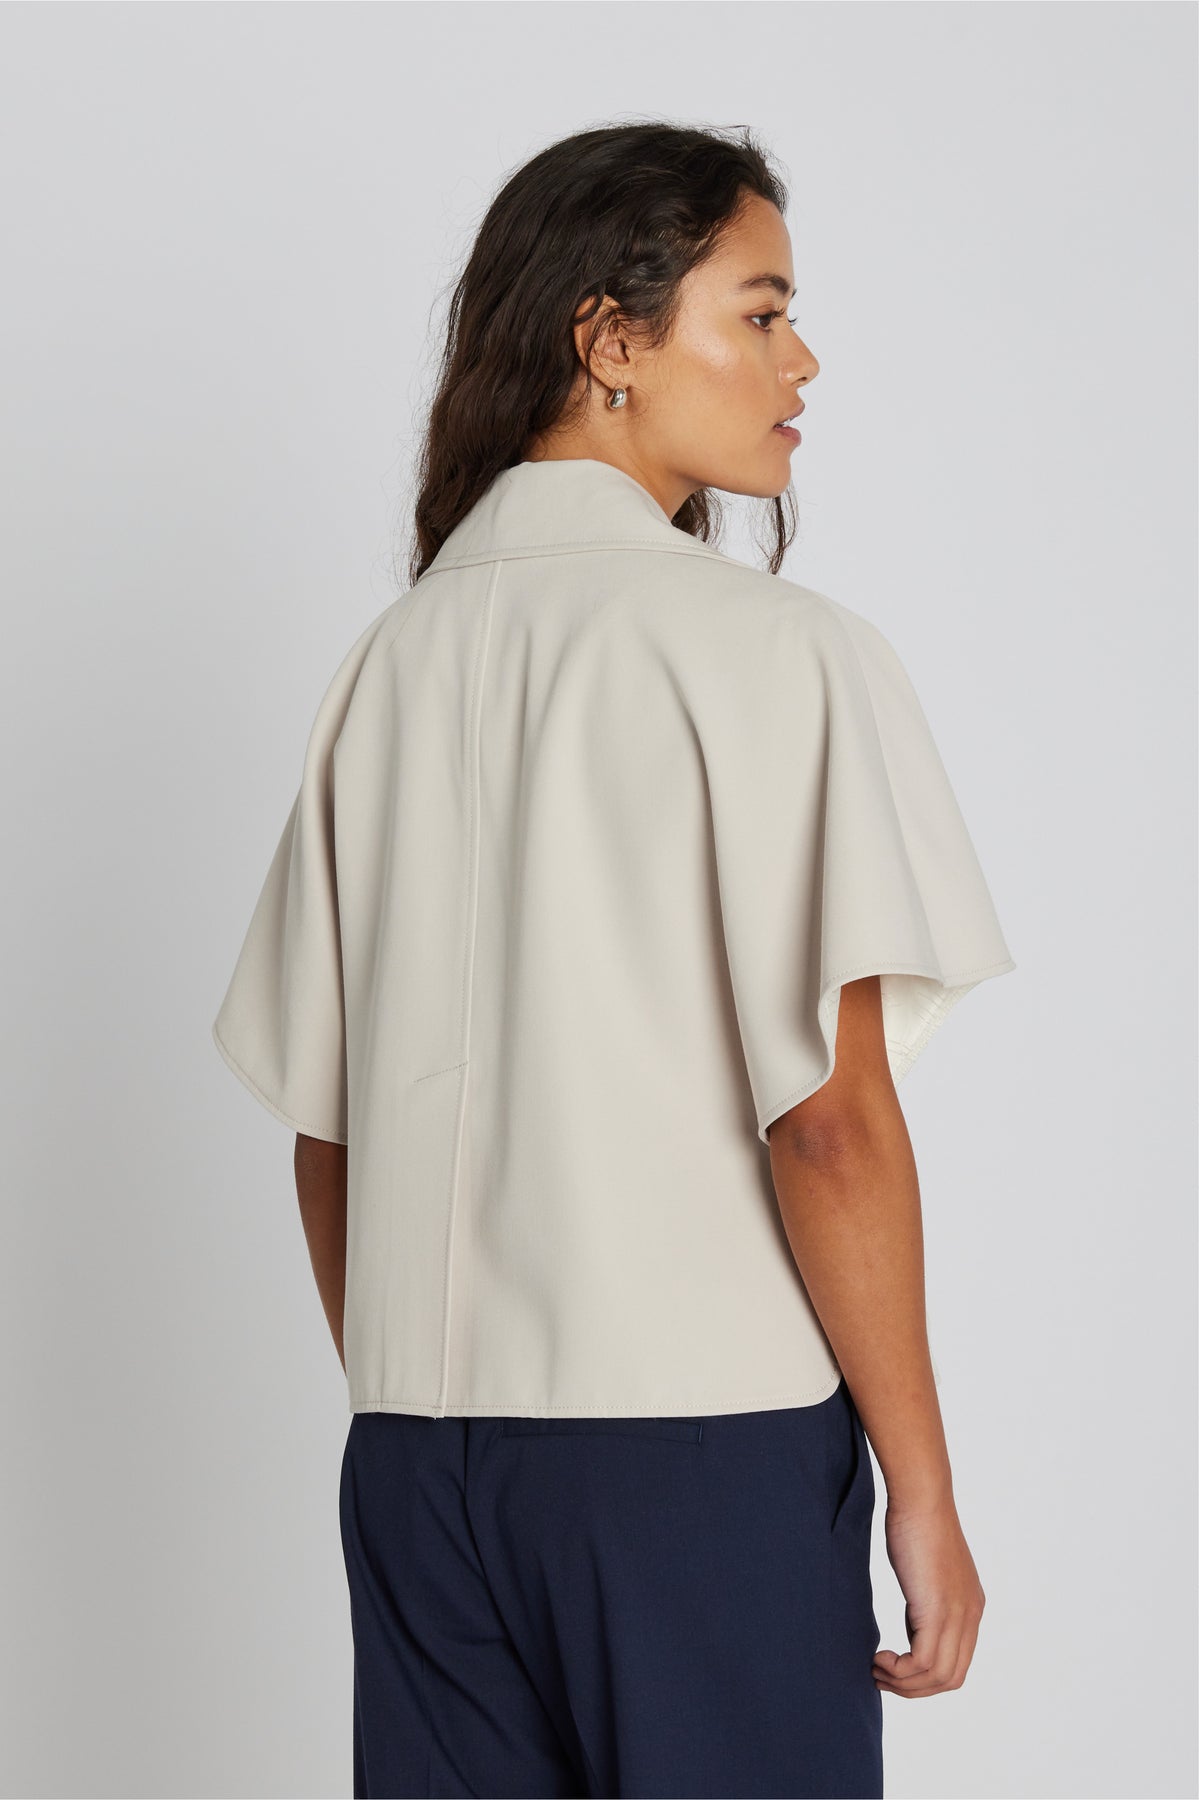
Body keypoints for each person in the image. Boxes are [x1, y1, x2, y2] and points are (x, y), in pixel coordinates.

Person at [212, 121, 1016, 1800]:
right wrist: (924, 1491)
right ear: (610, 340)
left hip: (418, 1472)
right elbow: (829, 1123)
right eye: (762, 311)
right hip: (700, 1464)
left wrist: (432, 1400)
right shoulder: (769, 652)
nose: (803, 360)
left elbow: (325, 1134)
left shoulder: (389, 667)